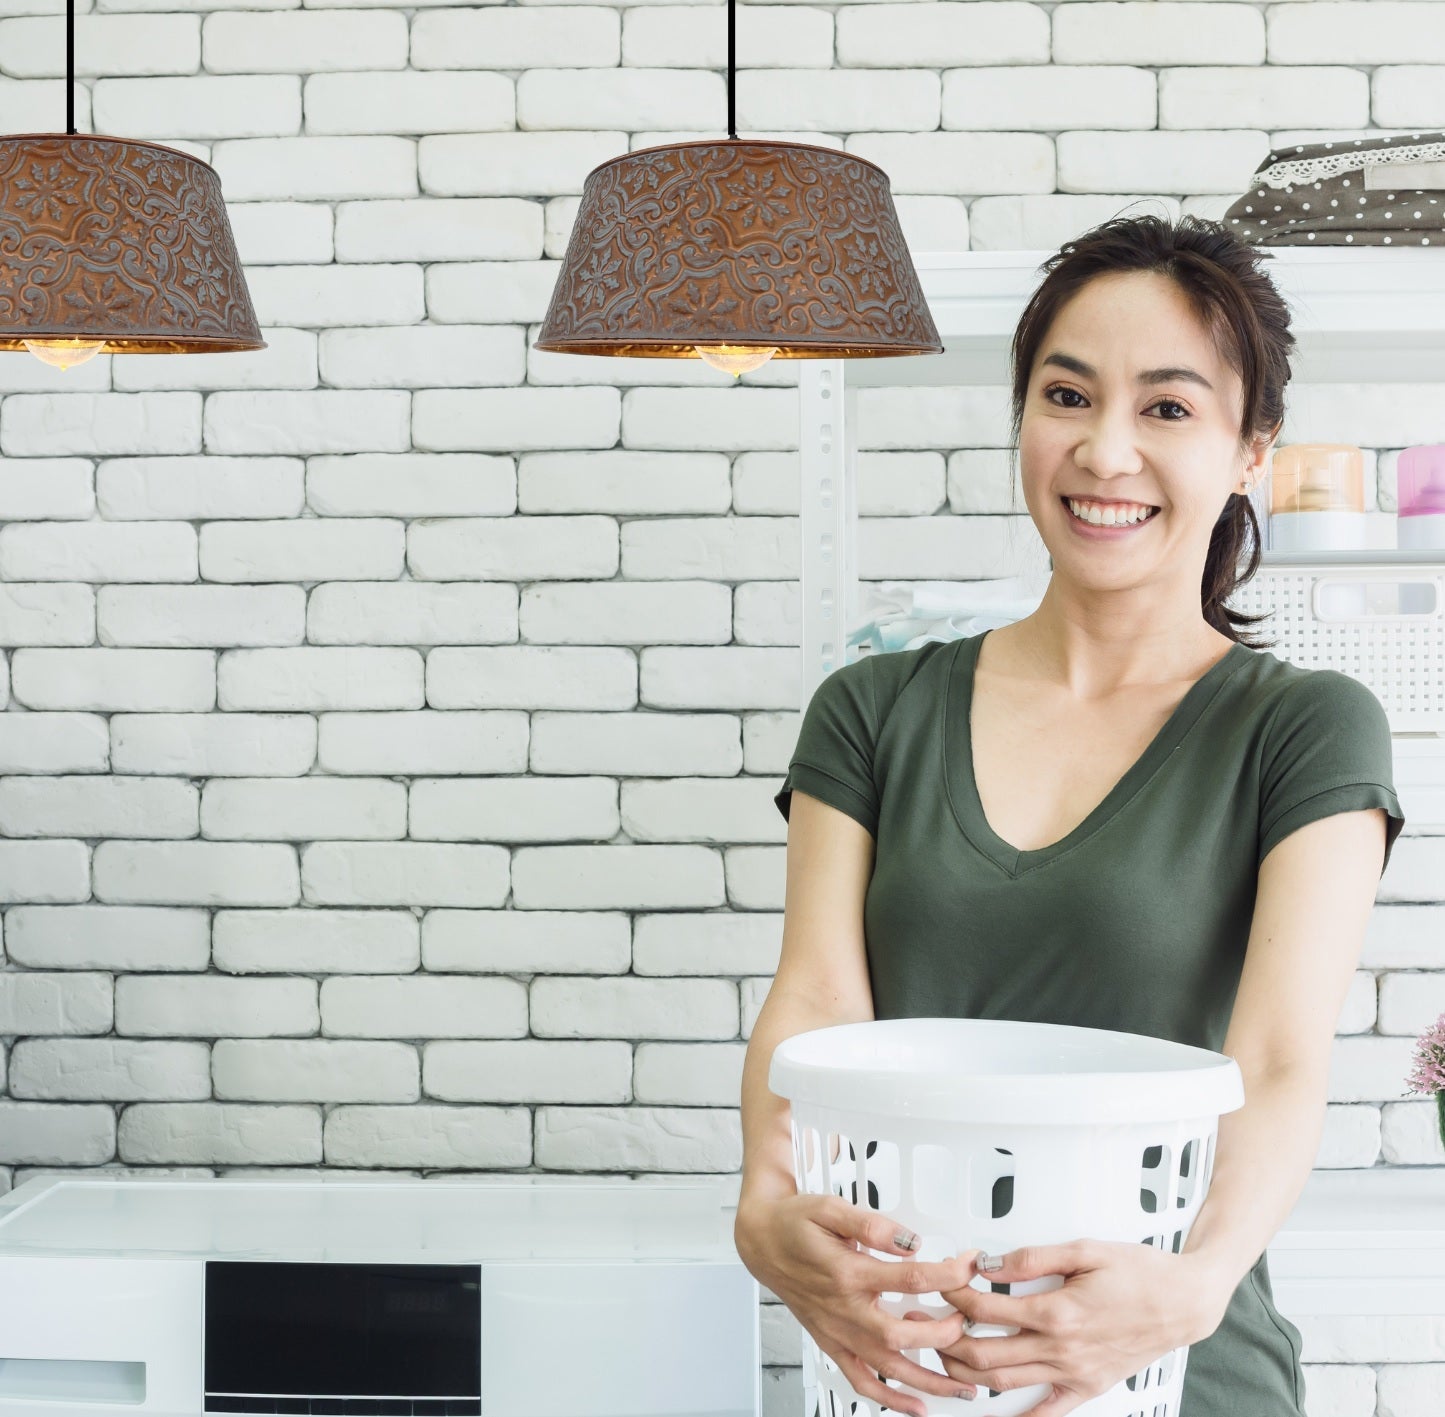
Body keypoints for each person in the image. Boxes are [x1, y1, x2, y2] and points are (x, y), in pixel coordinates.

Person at [734, 213, 1406, 1417]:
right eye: (1065, 394)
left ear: (1251, 450)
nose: (1103, 452)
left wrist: (1192, 1286)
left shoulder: (1303, 728)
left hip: (1179, 1365)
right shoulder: (872, 709)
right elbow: (817, 1004)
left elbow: (1277, 1057)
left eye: (1165, 408)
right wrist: (762, 1203)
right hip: (911, 1368)